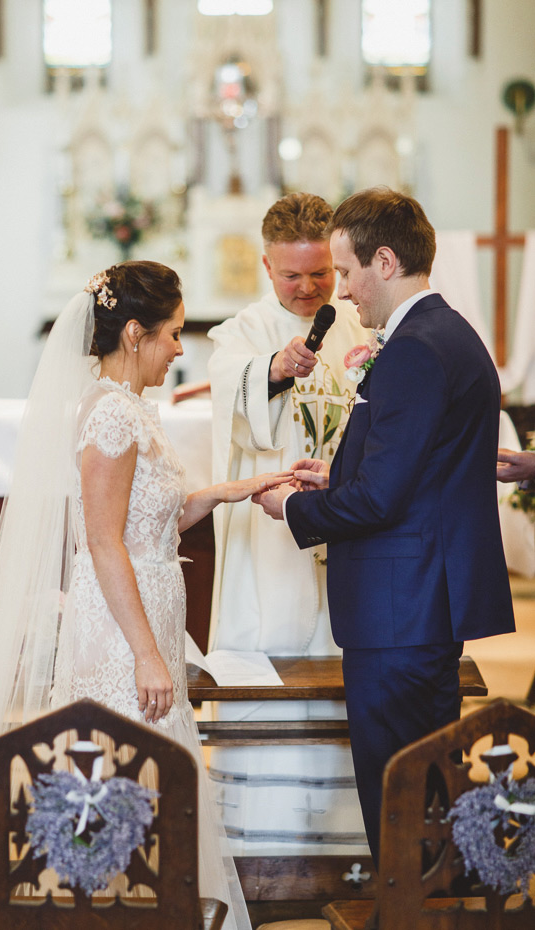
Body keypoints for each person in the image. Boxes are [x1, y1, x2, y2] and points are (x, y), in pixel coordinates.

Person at [0, 261, 291, 930]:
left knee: (142, 770)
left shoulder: (127, 408)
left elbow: (153, 519)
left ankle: (142, 902)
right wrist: (148, 653)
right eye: (173, 334)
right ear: (136, 334)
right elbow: (104, 541)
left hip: (142, 607)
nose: (181, 348)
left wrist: (228, 490)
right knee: (124, 767)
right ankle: (121, 905)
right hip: (123, 628)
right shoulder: (113, 418)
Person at [253, 187, 516, 867]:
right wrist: (335, 478)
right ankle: (423, 899)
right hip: (422, 598)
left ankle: (408, 904)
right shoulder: (446, 335)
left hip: (400, 607)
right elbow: (417, 474)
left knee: (398, 781)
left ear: (387, 260)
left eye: (344, 272)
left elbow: (380, 503)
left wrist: (291, 507)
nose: (339, 291)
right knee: (427, 779)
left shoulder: (415, 350)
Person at [206, 193, 369, 858]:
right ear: (266, 265)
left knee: (339, 656)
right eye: (292, 275)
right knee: (275, 646)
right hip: (272, 530)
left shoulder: (360, 323)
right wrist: (273, 371)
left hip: (351, 516)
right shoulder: (242, 330)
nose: (307, 288)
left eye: (321, 274)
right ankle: (264, 841)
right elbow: (228, 398)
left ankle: (341, 841)